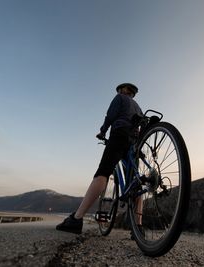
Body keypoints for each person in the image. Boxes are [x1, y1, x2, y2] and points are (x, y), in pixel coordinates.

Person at [56, 83, 143, 234]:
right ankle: (138, 228)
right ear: (133, 94)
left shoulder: (119, 98)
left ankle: (76, 219)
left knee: (103, 172)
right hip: (134, 141)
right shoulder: (138, 106)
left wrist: (103, 132)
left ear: (123, 91)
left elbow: (110, 116)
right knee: (136, 183)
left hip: (119, 134)